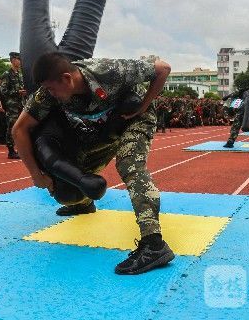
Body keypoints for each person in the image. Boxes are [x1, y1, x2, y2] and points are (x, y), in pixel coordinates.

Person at [13, 53, 174, 275]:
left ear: (67, 79)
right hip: (99, 129)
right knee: (76, 177)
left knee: (130, 165)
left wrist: (144, 105)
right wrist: (36, 175)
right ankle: (83, 203)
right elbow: (19, 130)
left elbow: (162, 68)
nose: (50, 94)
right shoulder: (49, 93)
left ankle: (154, 245)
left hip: (132, 117)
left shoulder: (110, 70)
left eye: (52, 89)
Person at [0, 52, 26, 159]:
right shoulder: (7, 74)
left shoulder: (20, 73)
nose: (20, 61)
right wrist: (17, 92)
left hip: (21, 103)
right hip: (12, 105)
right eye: (18, 59)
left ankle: (19, 147)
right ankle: (11, 150)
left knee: (21, 126)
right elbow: (3, 90)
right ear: (13, 60)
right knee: (12, 126)